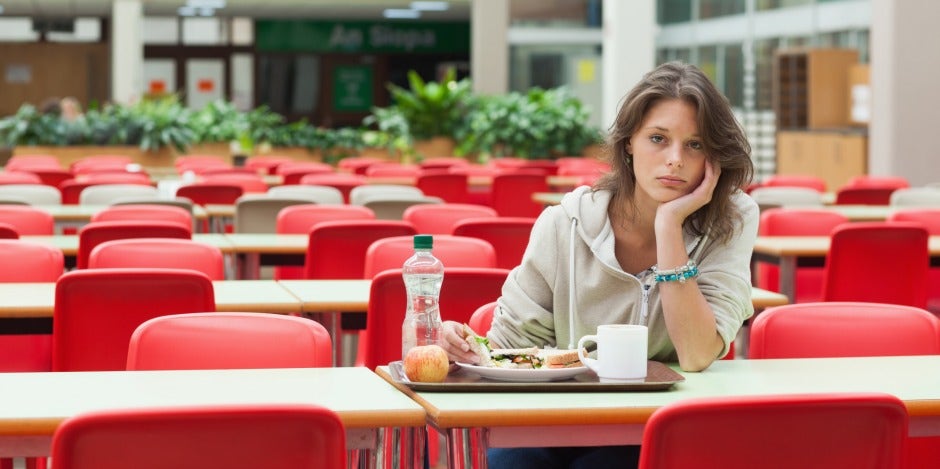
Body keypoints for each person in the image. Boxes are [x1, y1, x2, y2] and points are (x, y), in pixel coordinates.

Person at [439, 61, 759, 469]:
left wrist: (669, 227)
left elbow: (697, 354)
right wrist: (464, 346)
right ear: (629, 143)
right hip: (554, 421)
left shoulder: (731, 220)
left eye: (695, 145)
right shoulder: (564, 223)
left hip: (660, 425)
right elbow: (507, 348)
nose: (675, 159)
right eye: (658, 139)